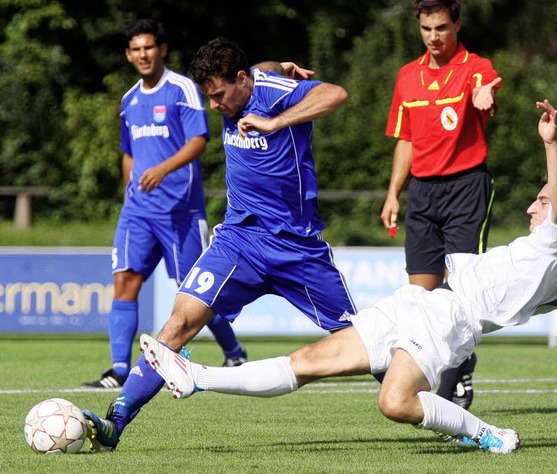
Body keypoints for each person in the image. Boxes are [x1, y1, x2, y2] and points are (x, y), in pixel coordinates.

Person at [139, 100, 557, 455]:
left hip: (451, 317)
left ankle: (487, 433)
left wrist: (552, 143)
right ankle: (198, 377)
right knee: (308, 361)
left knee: (394, 403)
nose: (534, 205)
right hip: (421, 300)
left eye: (543, 200)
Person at [81, 36, 357, 450]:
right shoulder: (250, 82)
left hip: (297, 246)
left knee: (363, 343)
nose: (215, 106)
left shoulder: (273, 95)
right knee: (178, 323)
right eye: (209, 97)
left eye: (218, 95)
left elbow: (335, 93)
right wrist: (281, 62)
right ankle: (114, 422)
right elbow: (264, 67)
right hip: (238, 240)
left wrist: (278, 121)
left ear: (243, 80)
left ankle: (437, 405)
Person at [81, 20, 248, 389]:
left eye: (149, 47)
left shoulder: (182, 89)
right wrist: (130, 188)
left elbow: (198, 141)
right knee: (125, 280)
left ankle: (234, 352)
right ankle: (119, 370)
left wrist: (162, 169)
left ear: (162, 49)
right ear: (128, 54)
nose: (143, 54)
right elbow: (128, 152)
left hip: (180, 211)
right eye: (136, 49)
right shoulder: (129, 99)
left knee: (196, 292)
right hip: (139, 211)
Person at [380, 0, 502, 409]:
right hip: (422, 192)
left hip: (467, 185)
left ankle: (454, 381)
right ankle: (443, 368)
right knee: (421, 295)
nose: (434, 36)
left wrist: (484, 95)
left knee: (460, 288)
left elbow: (487, 87)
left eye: (442, 28)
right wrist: (393, 193)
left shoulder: (475, 67)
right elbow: (406, 140)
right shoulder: (406, 76)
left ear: (457, 25)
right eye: (427, 29)